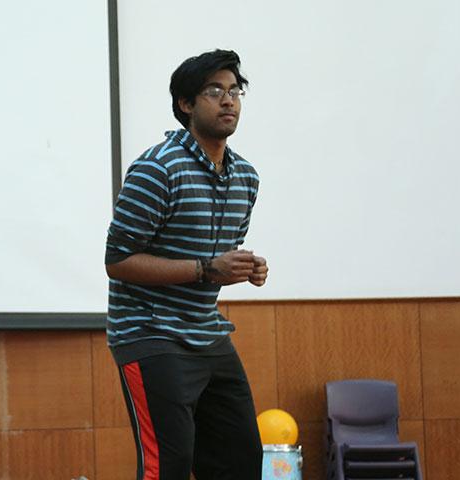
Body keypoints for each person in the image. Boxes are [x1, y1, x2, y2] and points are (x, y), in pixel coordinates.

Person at [104, 49, 268, 479]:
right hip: (149, 333)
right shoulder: (157, 169)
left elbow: (213, 262)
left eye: (235, 91)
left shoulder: (246, 178)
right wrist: (206, 268)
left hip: (206, 332)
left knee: (242, 460)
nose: (228, 100)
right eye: (214, 91)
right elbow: (118, 261)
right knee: (169, 466)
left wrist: (244, 269)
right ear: (186, 104)